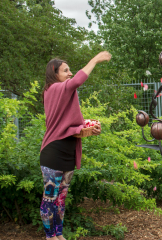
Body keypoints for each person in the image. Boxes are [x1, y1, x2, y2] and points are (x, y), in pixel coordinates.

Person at [39, 51, 112, 240]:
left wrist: (86, 127)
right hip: (53, 153)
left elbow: (68, 125)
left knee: (61, 200)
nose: (70, 73)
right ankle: (50, 237)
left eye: (70, 70)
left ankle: (59, 235)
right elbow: (77, 80)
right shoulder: (53, 89)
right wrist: (95, 59)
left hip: (68, 154)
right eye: (66, 70)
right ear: (55, 74)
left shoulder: (61, 92)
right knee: (50, 198)